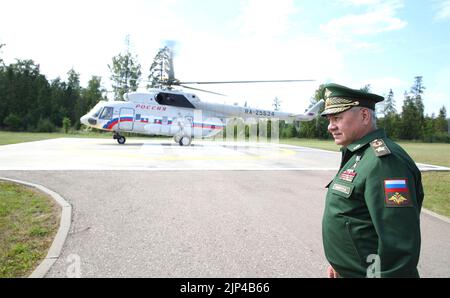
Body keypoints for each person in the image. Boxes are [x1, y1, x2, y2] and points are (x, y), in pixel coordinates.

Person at [320, 83, 424, 278]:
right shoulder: (359, 154)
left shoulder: (384, 162)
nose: (330, 126)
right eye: (329, 119)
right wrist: (341, 264)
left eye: (337, 118)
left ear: (365, 116)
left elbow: (398, 246)